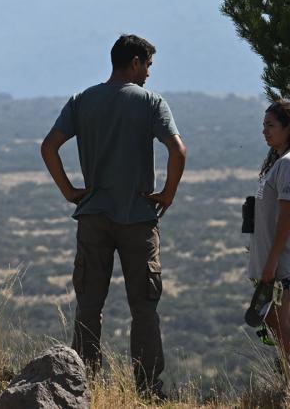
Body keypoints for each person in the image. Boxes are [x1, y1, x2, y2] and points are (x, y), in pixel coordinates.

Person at [40, 34, 187, 399]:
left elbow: (48, 147)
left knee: (89, 305)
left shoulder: (83, 100)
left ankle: (82, 386)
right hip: (138, 218)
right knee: (144, 307)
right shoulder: (151, 102)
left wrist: (70, 191)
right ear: (135, 62)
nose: (149, 74)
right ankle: (148, 390)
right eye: (148, 66)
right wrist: (167, 195)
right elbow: (178, 150)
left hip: (93, 217)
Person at [248, 99, 290, 362]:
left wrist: (271, 264)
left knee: (283, 329)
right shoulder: (276, 163)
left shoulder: (286, 164)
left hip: (282, 266)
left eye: (271, 125)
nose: (265, 130)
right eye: (264, 125)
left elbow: (287, 218)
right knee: (276, 326)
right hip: (273, 266)